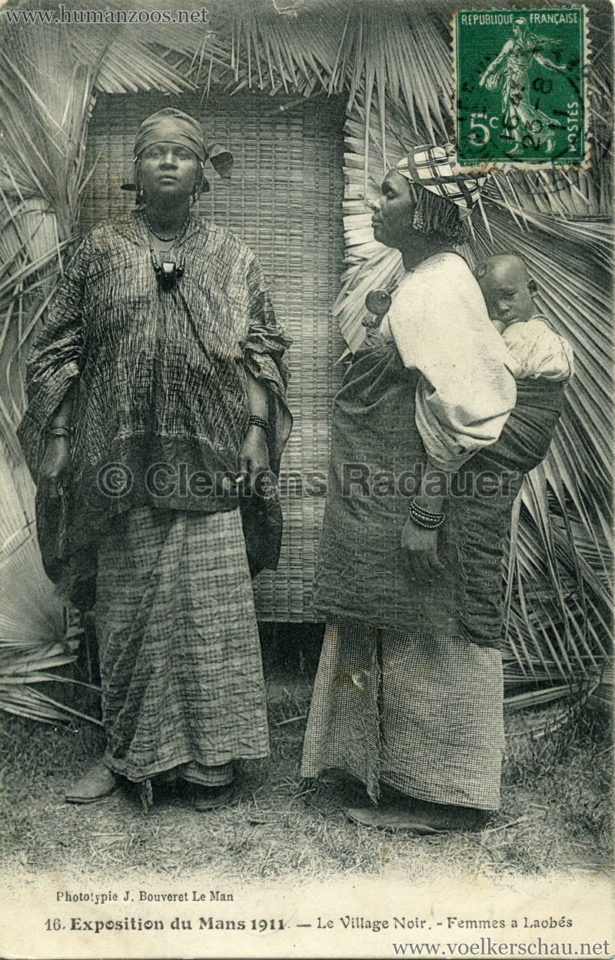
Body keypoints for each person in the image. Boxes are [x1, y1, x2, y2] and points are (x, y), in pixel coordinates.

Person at [18, 108, 292, 811]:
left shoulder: (233, 256)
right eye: (154, 153)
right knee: (128, 613)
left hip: (212, 456)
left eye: (182, 154)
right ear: (136, 172)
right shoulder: (98, 251)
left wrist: (256, 432)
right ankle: (125, 754)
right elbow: (56, 349)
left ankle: (210, 765)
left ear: (203, 173)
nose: (168, 162)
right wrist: (58, 437)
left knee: (208, 611)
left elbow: (261, 350)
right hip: (119, 460)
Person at [300, 144, 567, 832]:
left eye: (389, 193)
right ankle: (392, 777)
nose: (374, 202)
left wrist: (424, 512)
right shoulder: (421, 276)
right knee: (400, 623)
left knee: (437, 630)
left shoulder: (439, 287)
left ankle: (446, 799)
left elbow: (470, 404)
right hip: (388, 485)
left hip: (423, 492)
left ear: (424, 209)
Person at [476, 253, 574, 383]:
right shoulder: (549, 335)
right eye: (489, 303)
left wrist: (492, 333)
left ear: (531, 289)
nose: (501, 308)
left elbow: (481, 374)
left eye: (509, 295)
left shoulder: (527, 333)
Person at [478, 19, 568, 155]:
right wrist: (557, 68)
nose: (513, 30)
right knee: (514, 112)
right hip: (521, 79)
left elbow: (497, 61)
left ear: (521, 29)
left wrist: (484, 77)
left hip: (515, 80)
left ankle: (547, 134)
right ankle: (519, 145)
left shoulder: (511, 43)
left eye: (515, 28)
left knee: (522, 112)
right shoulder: (530, 44)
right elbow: (543, 61)